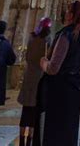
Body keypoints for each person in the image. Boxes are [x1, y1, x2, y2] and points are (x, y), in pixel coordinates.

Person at [38, 0, 80, 146]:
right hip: (73, 89)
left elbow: (54, 68)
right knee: (68, 132)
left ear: (71, 15)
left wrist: (43, 62)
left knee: (56, 132)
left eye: (67, 11)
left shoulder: (66, 35)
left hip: (59, 90)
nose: (64, 13)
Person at [18, 17, 52, 146]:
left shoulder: (32, 39)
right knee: (35, 112)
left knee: (26, 110)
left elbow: (27, 57)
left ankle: (22, 139)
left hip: (29, 76)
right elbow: (48, 58)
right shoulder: (47, 40)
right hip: (40, 77)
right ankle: (31, 139)